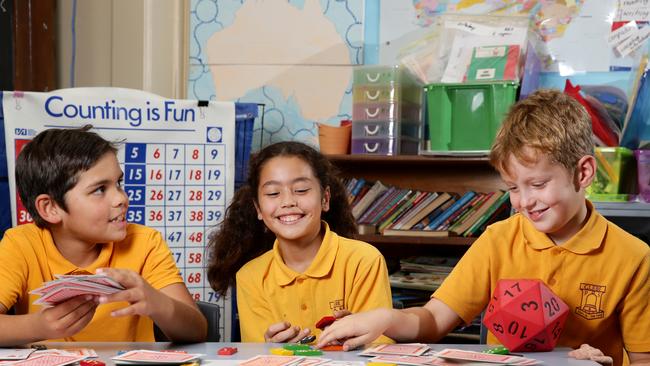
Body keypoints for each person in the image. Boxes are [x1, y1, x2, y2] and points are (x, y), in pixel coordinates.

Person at [317, 90, 650, 366]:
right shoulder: (498, 240)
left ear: (585, 173)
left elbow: (642, 359)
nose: (524, 202)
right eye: (513, 188)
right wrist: (385, 319)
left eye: (537, 184)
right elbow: (434, 321)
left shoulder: (633, 257)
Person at [0, 126, 207, 345]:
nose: (121, 198)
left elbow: (197, 331)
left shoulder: (145, 242)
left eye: (118, 183)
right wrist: (38, 326)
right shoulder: (20, 244)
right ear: (50, 208)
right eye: (99, 189)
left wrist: (157, 302)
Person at [207, 141, 392, 343]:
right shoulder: (250, 276)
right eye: (273, 193)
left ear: (325, 199)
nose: (288, 202)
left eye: (301, 190)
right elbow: (256, 354)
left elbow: (379, 348)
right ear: (258, 209)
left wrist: (354, 342)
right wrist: (270, 349)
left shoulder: (363, 260)